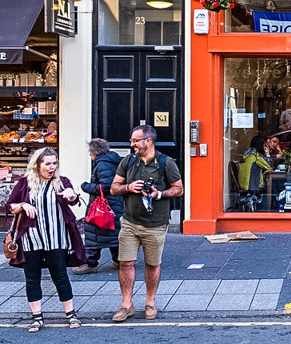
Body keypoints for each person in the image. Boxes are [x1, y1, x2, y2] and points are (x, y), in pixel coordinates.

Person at [6, 148, 86, 332]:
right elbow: (11, 206)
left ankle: (71, 315)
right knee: (32, 278)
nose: (52, 167)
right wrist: (23, 205)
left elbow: (72, 197)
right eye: (47, 163)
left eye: (54, 163)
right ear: (37, 165)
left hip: (56, 238)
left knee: (60, 276)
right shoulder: (25, 183)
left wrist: (71, 196)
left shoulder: (61, 182)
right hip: (31, 239)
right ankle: (37, 318)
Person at [110, 125, 183, 322]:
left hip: (156, 224)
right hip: (130, 222)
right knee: (125, 263)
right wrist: (128, 187)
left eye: (135, 141)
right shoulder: (128, 161)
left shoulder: (166, 163)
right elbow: (114, 188)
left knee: (152, 264)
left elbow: (178, 189)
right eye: (132, 140)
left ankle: (150, 303)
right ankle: (126, 305)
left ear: (148, 141)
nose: (131, 144)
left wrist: (158, 194)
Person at [73, 138, 124, 274]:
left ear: (95, 152)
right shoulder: (111, 161)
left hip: (103, 207)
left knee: (94, 234)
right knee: (112, 233)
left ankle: (90, 263)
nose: (90, 155)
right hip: (115, 205)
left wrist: (86, 186)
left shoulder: (103, 165)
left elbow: (105, 186)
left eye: (90, 152)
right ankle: (119, 260)